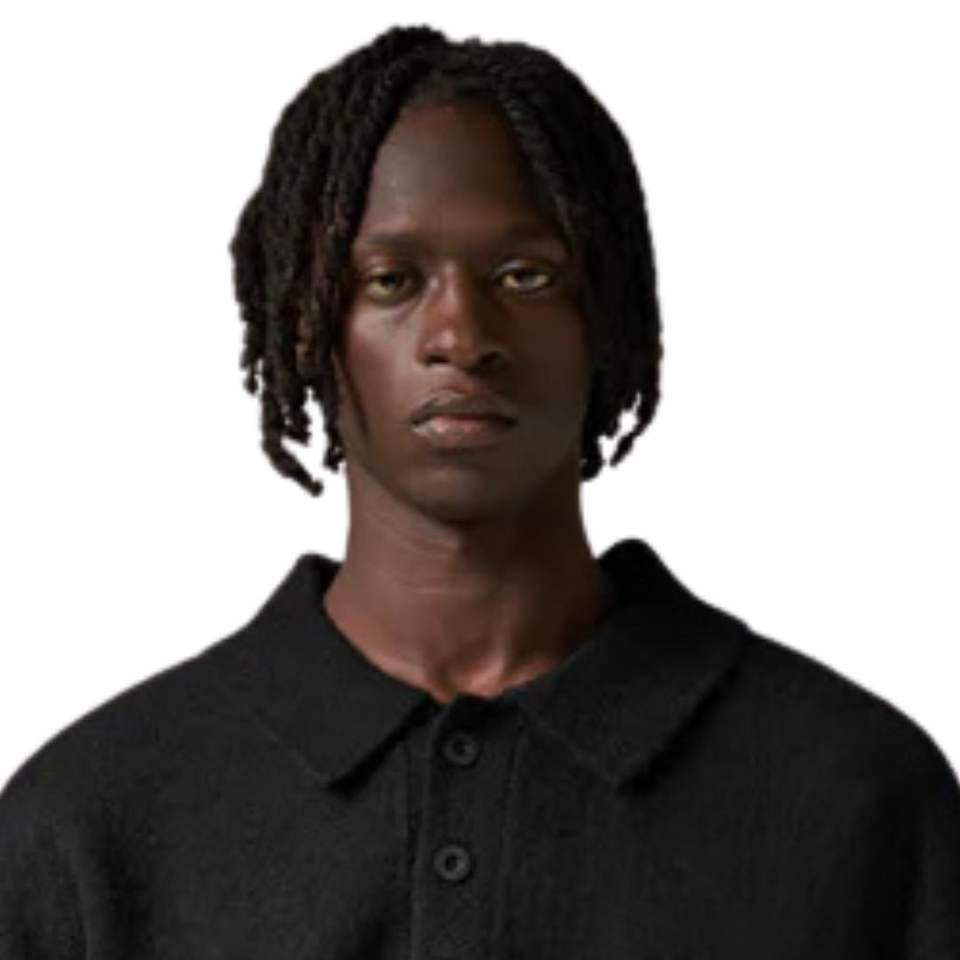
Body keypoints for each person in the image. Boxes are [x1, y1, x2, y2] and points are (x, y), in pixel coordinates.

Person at [2, 23, 958, 958]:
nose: (461, 334)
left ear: (609, 319)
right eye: (391, 280)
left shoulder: (857, 796)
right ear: (305, 325)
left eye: (525, 275)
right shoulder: (89, 825)